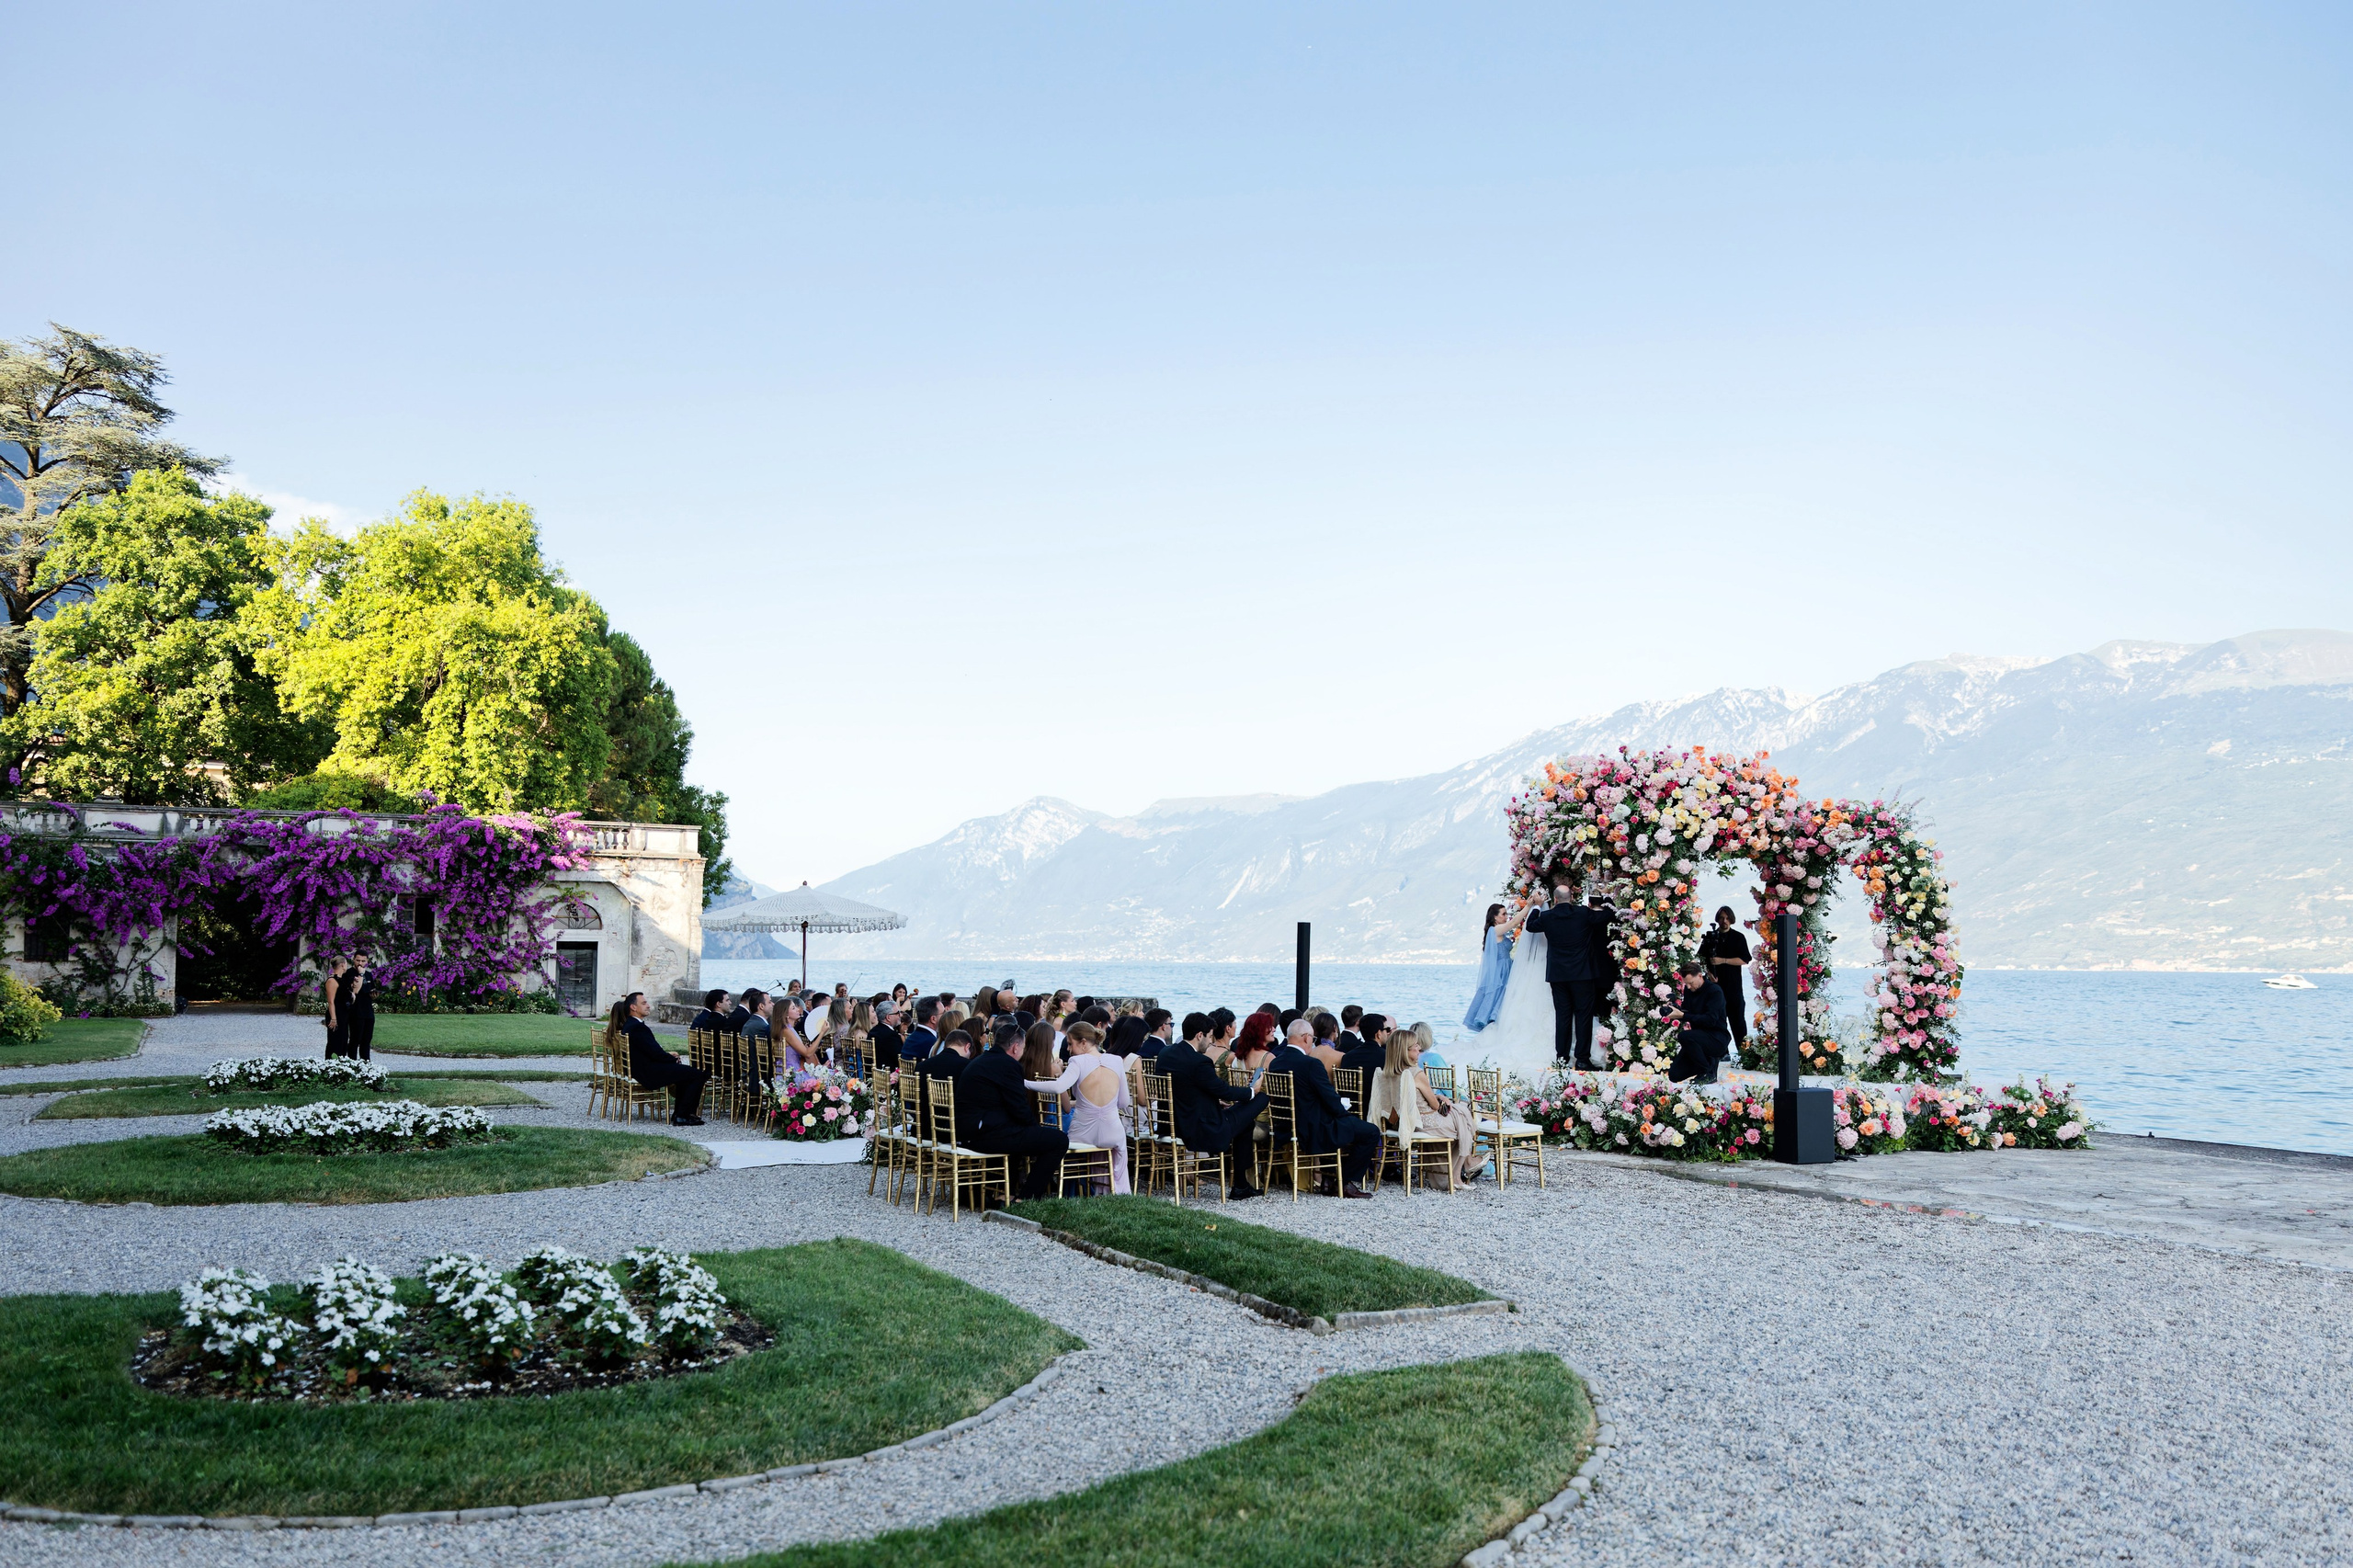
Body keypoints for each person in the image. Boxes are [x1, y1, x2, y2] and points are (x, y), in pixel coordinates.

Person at [1156, 1011, 1266, 1199]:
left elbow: (1189, 1089)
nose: (1210, 1042)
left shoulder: (1166, 1053)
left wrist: (1215, 1101)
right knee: (1262, 1099)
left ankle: (1241, 1184)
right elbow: (1223, 1090)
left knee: (1245, 1125)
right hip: (1202, 1127)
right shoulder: (1199, 1062)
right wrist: (1251, 1091)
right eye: (1209, 1037)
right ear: (1200, 1035)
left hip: (1171, 1124)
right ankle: (1240, 1184)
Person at [1269, 1018, 1379, 1197]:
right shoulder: (1310, 1064)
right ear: (1305, 1038)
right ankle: (1345, 1181)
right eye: (1312, 1038)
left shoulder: (1276, 1063)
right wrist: (1344, 1112)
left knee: (1344, 1124)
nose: (1313, 1041)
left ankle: (1328, 1181)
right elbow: (1330, 1099)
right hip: (1313, 1128)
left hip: (1286, 1126)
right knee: (1370, 1132)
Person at [960, 1020, 1068, 1200]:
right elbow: (1019, 1107)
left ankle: (1002, 1192)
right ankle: (1027, 1197)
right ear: (1016, 1047)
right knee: (1058, 1140)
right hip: (986, 1134)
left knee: (1022, 1135)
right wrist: (1035, 1131)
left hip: (970, 1131)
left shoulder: (980, 1061)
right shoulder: (1009, 1065)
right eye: (1023, 1047)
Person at [1026, 1019, 1131, 1193]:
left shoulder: (1078, 1062)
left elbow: (1059, 1086)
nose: (1068, 1049)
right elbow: (1124, 1103)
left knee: (1067, 1151)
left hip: (1083, 1133)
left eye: (1069, 1044)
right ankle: (1115, 1191)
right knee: (1119, 1146)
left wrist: (1026, 1083)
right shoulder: (1116, 1060)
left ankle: (1071, 1193)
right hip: (1112, 1133)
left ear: (1083, 1043)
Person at [1371, 1023, 1483, 1186]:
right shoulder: (1415, 1073)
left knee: (1460, 1114)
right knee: (1463, 1117)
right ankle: (1460, 1171)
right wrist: (1441, 1099)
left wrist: (1437, 1095)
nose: (1419, 1048)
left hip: (1399, 1124)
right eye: (1415, 1046)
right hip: (1422, 1123)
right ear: (1406, 1052)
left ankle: (1464, 1166)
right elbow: (1435, 1106)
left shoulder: (1387, 1073)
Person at [1525, 881, 1616, 1069]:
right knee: (1583, 1016)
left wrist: (1535, 905)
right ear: (1572, 898)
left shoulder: (1548, 916)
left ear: (1555, 899)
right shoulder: (1583, 913)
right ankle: (1582, 1060)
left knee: (1563, 1016)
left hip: (1558, 975)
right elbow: (1608, 915)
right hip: (1583, 974)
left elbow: (1530, 926)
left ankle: (1562, 1059)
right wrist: (1607, 896)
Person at [610, 991, 709, 1125]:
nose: (648, 1006)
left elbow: (651, 1051)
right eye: (644, 1003)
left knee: (684, 1073)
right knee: (698, 1075)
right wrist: (672, 1059)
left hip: (641, 1069)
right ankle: (683, 1115)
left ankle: (680, 1113)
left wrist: (670, 1059)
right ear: (633, 1007)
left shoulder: (630, 1025)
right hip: (648, 1073)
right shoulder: (637, 1027)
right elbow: (655, 1053)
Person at [1668, 960, 1733, 1084]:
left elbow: (1710, 1020)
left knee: (1684, 1036)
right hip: (1698, 1038)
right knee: (1674, 1075)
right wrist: (1675, 1011)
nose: (1688, 987)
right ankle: (1707, 1064)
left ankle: (1708, 1071)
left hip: (1717, 1038)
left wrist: (1683, 1015)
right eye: (1686, 984)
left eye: (1691, 983)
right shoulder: (1689, 990)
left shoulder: (1715, 991)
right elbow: (1688, 1012)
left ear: (1700, 976)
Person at [1700, 907, 1752, 1056]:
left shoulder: (1738, 937)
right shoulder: (1710, 938)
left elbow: (1744, 959)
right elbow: (1701, 959)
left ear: (1732, 919)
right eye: (1722, 918)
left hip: (1733, 987)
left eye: (1727, 918)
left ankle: (1745, 1054)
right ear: (1717, 919)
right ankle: (1722, 1052)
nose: (1724, 921)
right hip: (1715, 987)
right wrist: (1709, 973)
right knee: (1717, 1021)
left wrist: (1722, 961)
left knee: (1738, 1022)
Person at [1463, 903, 1516, 1032]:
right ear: (1495, 918)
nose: (1506, 917)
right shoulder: (1495, 930)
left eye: (1506, 913)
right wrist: (1529, 906)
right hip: (1500, 971)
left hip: (1507, 968)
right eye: (1503, 914)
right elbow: (1513, 923)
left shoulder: (1500, 932)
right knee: (1496, 999)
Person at [343, 957, 376, 1061]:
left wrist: (374, 995)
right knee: (355, 1039)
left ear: (367, 962)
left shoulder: (369, 974)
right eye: (358, 960)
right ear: (353, 960)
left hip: (368, 1011)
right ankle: (352, 1063)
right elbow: (354, 990)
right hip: (356, 1011)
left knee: (367, 1040)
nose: (360, 963)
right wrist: (360, 974)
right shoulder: (349, 973)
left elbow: (370, 989)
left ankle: (366, 1064)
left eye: (363, 961)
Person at [322, 958, 353, 1058]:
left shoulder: (342, 980)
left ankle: (342, 1063)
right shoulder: (332, 980)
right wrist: (333, 1018)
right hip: (336, 1013)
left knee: (344, 1041)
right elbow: (331, 1001)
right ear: (343, 965)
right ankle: (330, 1064)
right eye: (346, 964)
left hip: (344, 1014)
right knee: (335, 1042)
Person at [871, 998, 907, 1071]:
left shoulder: (873, 1031)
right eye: (897, 1013)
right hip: (888, 1075)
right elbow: (901, 1059)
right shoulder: (891, 1036)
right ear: (888, 1017)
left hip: (875, 1072)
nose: (900, 1015)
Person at [902, 997, 941, 1062]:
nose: (945, 1016)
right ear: (933, 1019)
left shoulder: (910, 1038)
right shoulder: (932, 1042)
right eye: (943, 1013)